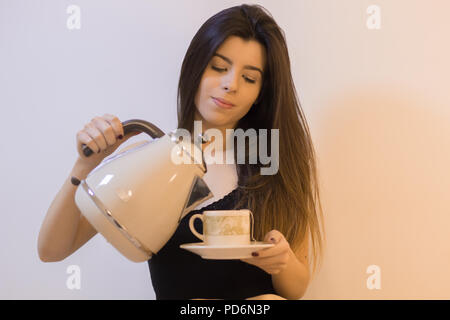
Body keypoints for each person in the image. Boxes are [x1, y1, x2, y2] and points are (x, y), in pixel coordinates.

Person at [38, 4, 325, 300]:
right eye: (218, 67)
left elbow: (296, 288)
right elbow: (52, 250)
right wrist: (85, 165)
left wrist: (283, 262)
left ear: (260, 94)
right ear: (196, 67)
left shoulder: (273, 165)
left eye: (249, 78)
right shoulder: (148, 161)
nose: (230, 85)